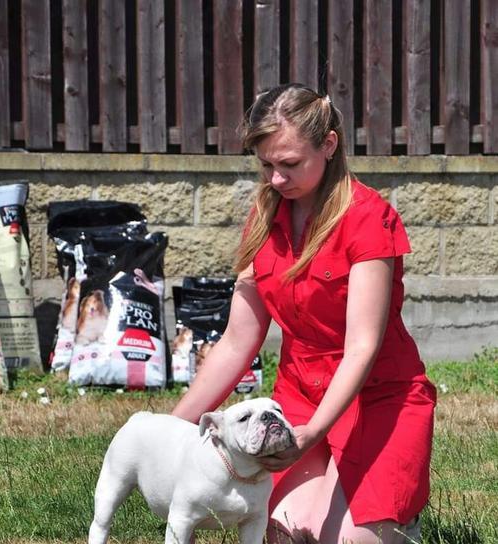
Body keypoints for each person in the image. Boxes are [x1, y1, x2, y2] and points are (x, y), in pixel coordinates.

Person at [171, 83, 437, 544]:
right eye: (267, 165)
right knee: (288, 533)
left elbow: (362, 347)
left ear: (329, 145)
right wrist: (173, 432)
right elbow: (238, 341)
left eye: (289, 164)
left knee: (349, 542)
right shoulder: (264, 217)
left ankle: (397, 522)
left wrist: (312, 433)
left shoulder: (369, 219)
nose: (276, 179)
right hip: (299, 397)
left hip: (380, 398)